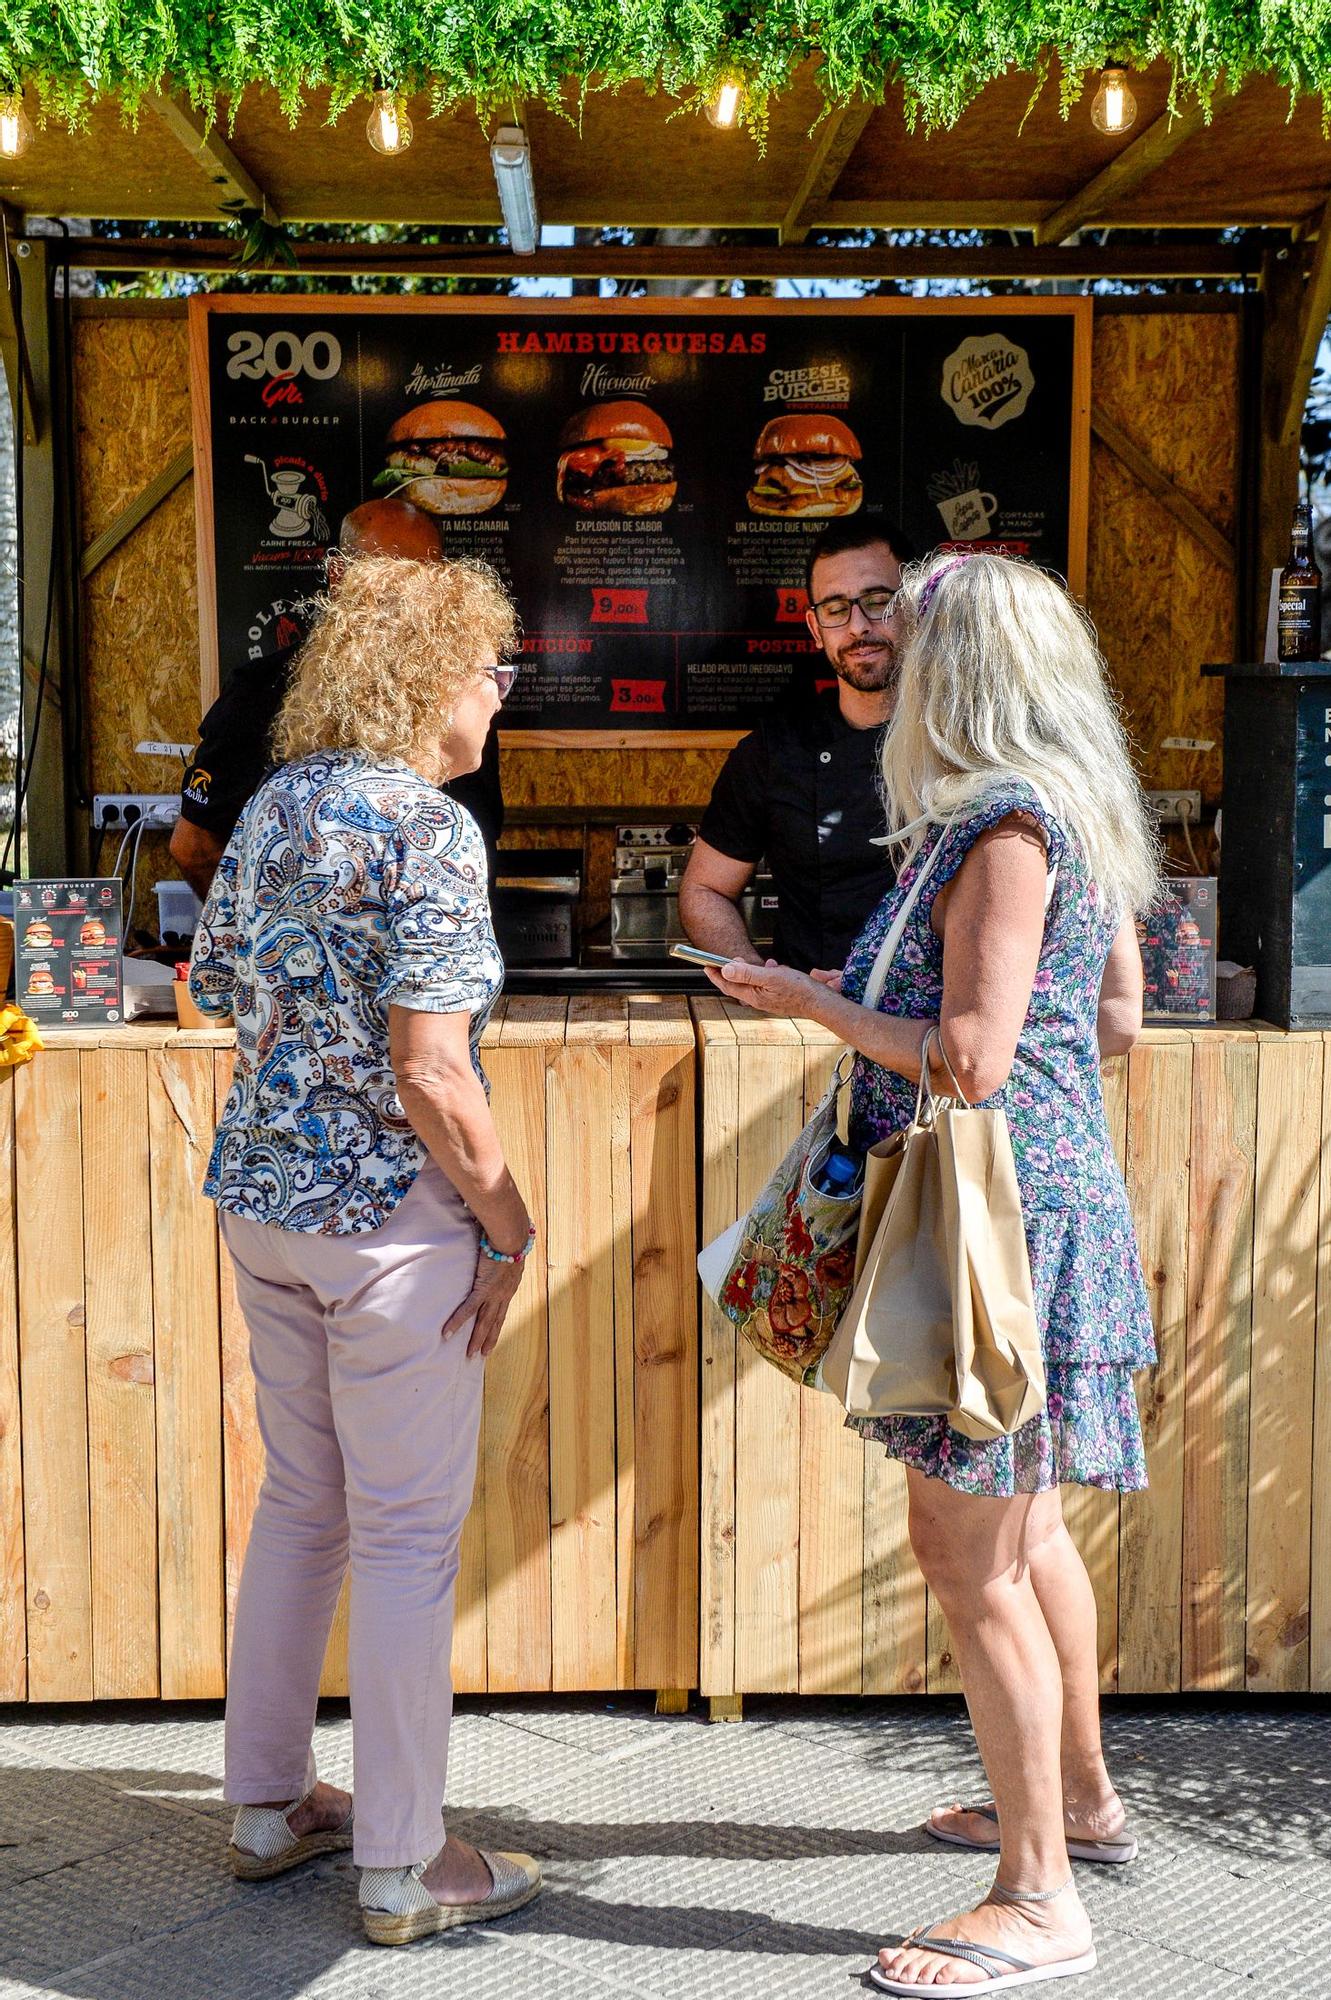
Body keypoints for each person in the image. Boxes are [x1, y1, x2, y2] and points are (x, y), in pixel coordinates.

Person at [706, 551, 1159, 1997]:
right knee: (1020, 1550)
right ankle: (1074, 1811)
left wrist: (811, 1002)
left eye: (904, 646)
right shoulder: (1055, 818)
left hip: (992, 1237)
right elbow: (1113, 1022)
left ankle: (1034, 1900)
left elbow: (967, 1055)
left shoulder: (997, 832)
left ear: (950, 673)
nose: (881, 665)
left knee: (965, 1563)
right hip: (1038, 1211)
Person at [188, 553, 542, 1947]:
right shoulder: (428, 829)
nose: (499, 690)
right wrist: (510, 1225)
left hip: (264, 1209)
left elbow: (216, 982)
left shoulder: (277, 805)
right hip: (390, 1232)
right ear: (428, 681)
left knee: (301, 1506)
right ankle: (405, 1867)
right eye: (490, 666)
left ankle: (267, 1806)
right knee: (402, 1539)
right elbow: (434, 1076)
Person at [171, 498, 505, 898]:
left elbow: (482, 837)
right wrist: (263, 924)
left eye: (426, 576)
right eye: (389, 574)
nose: (412, 595)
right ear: (338, 575)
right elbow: (194, 847)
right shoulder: (262, 692)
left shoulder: (461, 694)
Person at [679, 518, 914, 973]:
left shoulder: (965, 744)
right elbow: (704, 890)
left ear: (918, 605)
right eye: (835, 608)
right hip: (810, 1025)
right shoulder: (773, 753)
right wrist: (751, 972)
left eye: (878, 601)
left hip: (932, 1028)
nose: (857, 627)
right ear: (814, 626)